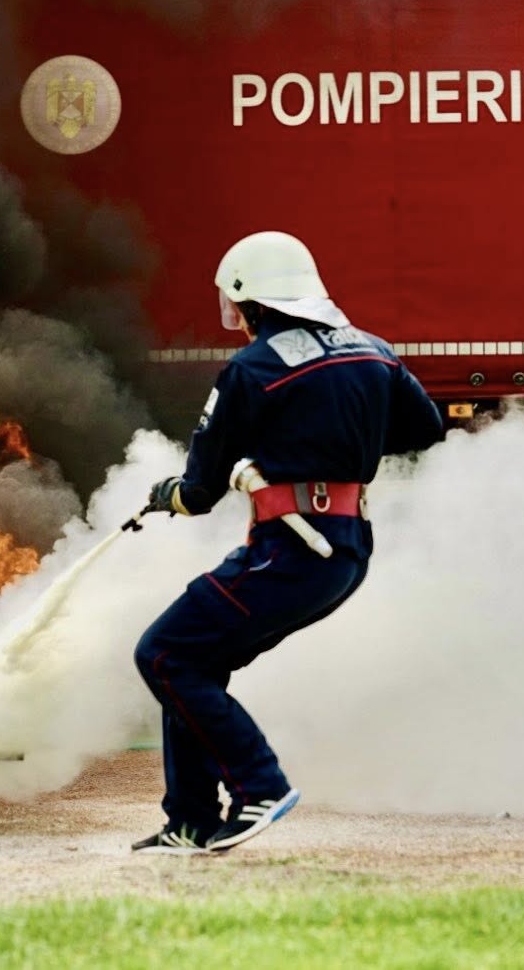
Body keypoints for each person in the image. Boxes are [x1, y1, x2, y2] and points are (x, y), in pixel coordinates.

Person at [131, 230, 446, 854]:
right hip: (345, 551)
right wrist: (336, 443)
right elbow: (426, 427)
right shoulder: (374, 350)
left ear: (250, 300)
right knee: (196, 661)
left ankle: (259, 787)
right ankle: (190, 820)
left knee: (163, 653)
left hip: (291, 552)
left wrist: (169, 494)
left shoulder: (253, 368)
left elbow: (198, 492)